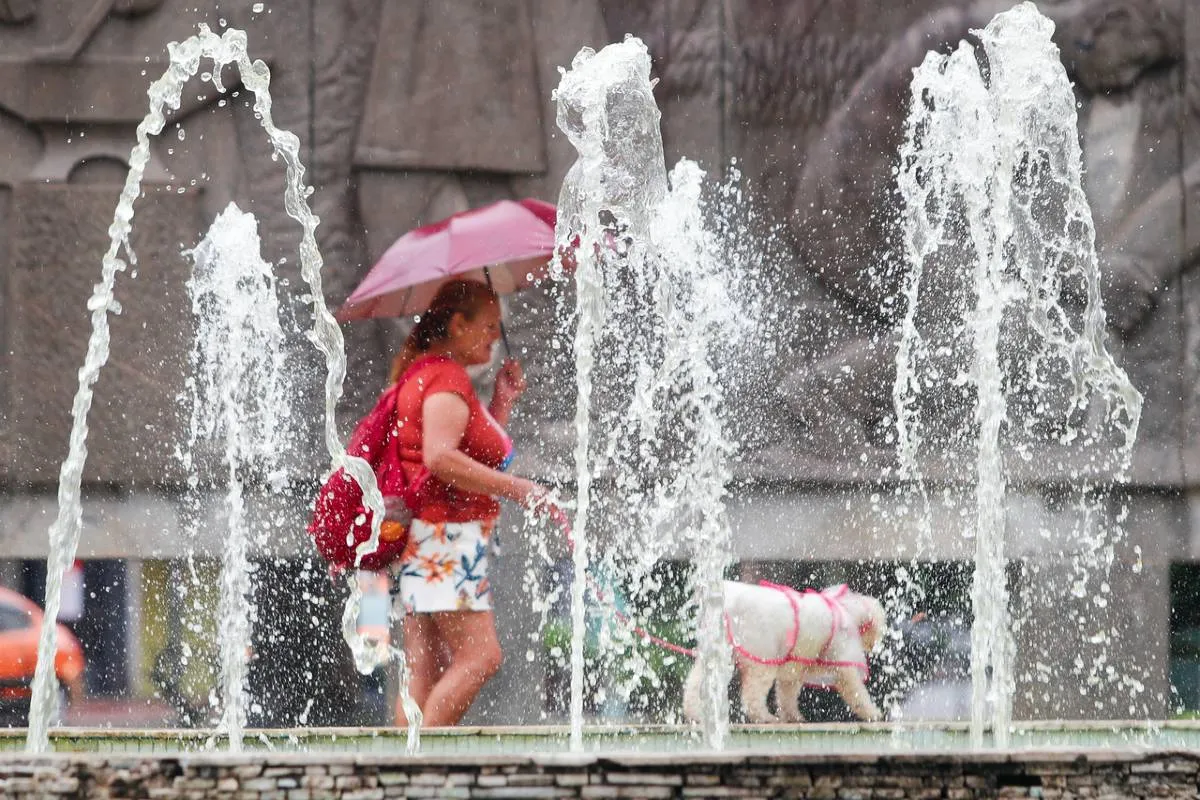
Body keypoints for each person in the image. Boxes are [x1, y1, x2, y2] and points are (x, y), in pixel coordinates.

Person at [384, 278, 564, 727]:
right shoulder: (446, 379)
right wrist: (517, 487)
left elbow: (463, 451)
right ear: (458, 324)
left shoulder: (426, 374)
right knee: (481, 657)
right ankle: (421, 768)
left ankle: (397, 775)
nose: (493, 336)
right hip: (446, 540)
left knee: (424, 675)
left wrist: (500, 402)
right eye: (487, 326)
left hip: (426, 540)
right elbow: (440, 456)